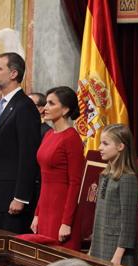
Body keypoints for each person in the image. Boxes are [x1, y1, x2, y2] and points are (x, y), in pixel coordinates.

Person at [0, 52, 41, 233]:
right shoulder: (0, 104)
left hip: (12, 200)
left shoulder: (24, 106)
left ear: (13, 74)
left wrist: (21, 197)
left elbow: (28, 155)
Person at [31, 86, 85, 250]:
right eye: (46, 103)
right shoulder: (48, 135)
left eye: (51, 103)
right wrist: (37, 214)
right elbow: (44, 179)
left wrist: (66, 222)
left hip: (61, 209)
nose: (45, 108)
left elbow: (75, 183)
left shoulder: (72, 138)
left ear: (65, 109)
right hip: (45, 206)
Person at [90, 124, 138, 266]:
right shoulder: (105, 175)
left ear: (120, 147)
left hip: (115, 249)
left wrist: (118, 253)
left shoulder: (127, 177)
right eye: (100, 143)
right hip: (100, 242)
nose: (99, 147)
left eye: (105, 143)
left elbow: (128, 221)